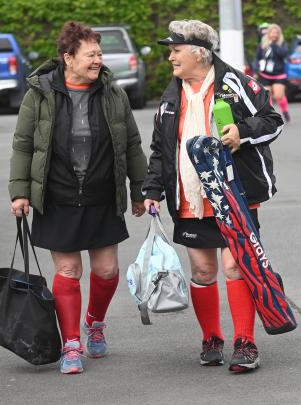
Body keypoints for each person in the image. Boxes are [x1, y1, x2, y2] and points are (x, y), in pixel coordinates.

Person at [143, 20, 283, 373]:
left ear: (198, 53)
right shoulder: (172, 92)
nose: (171, 56)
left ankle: (245, 342)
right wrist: (152, 189)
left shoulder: (235, 82)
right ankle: (211, 338)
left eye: (176, 50)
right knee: (203, 270)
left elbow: (273, 119)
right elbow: (161, 147)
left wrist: (242, 132)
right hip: (190, 195)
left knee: (236, 266)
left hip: (235, 193)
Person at [9, 21, 147, 374]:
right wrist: (20, 192)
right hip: (59, 195)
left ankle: (94, 322)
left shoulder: (112, 93)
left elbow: (130, 143)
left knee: (107, 270)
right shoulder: (39, 94)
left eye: (99, 54)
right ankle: (71, 344)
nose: (98, 60)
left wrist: (139, 188)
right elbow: (24, 145)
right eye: (91, 54)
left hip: (102, 194)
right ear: (67, 58)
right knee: (68, 270)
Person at [254, 23, 290, 122]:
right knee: (266, 95)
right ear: (268, 33)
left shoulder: (282, 44)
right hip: (265, 74)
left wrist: (274, 45)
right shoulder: (263, 44)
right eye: (272, 33)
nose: (274, 35)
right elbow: (257, 58)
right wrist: (256, 69)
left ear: (279, 34)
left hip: (279, 74)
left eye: (276, 33)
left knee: (278, 96)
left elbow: (283, 55)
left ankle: (285, 111)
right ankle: (270, 115)